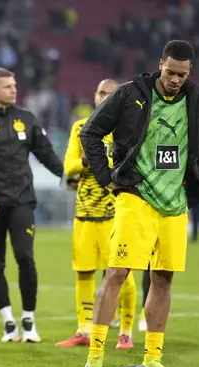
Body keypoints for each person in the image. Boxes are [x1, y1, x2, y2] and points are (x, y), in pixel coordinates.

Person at [80, 40, 199, 367]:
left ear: (190, 72)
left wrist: (195, 175)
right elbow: (91, 132)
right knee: (116, 274)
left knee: (163, 278)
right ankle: (95, 355)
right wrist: (106, 177)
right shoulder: (129, 94)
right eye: (170, 72)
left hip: (175, 205)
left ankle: (153, 357)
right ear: (160, 64)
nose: (175, 80)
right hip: (136, 198)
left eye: (182, 74)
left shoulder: (197, 99)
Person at [0, 67, 63, 343]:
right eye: (7, 86)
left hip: (22, 200)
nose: (14, 90)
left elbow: (46, 153)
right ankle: (8, 323)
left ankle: (28, 321)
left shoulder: (26, 118)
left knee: (25, 257)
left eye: (14, 85)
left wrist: (68, 175)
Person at [57, 79, 137, 349]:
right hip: (84, 214)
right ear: (94, 95)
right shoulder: (81, 129)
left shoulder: (125, 131)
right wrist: (83, 161)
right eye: (101, 92)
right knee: (83, 273)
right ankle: (84, 329)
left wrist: (106, 161)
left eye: (110, 94)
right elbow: (67, 167)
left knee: (122, 274)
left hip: (116, 214)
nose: (104, 97)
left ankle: (126, 331)